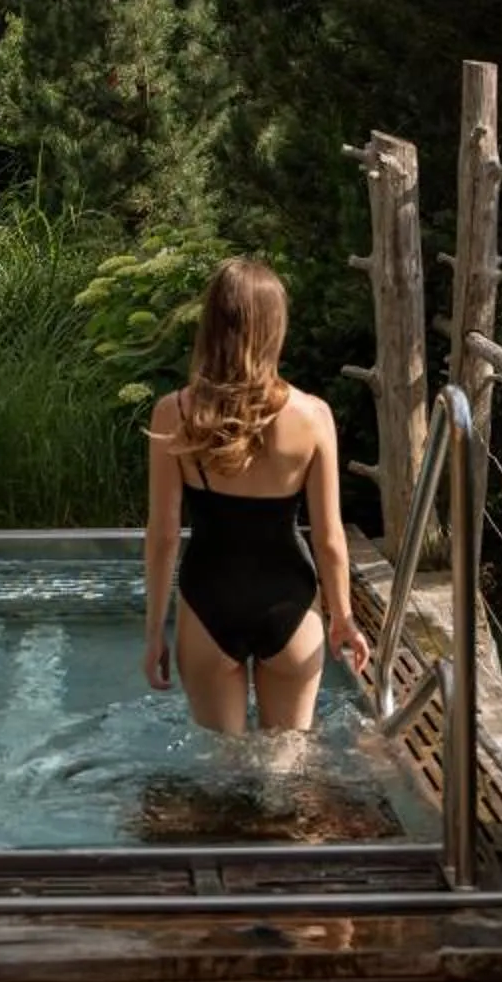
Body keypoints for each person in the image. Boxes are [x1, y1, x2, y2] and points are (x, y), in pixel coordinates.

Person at [142, 255, 371, 732]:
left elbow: (163, 536)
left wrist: (153, 631)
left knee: (224, 765)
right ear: (274, 328)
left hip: (207, 605)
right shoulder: (314, 417)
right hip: (290, 602)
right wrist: (343, 617)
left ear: (210, 325)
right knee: (289, 760)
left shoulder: (174, 414)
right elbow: (329, 538)